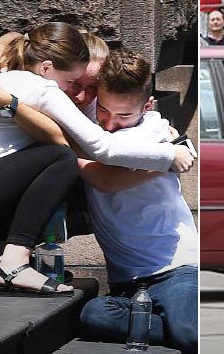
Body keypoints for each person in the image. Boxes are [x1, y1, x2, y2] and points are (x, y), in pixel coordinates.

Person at [78, 48, 197, 352]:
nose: (110, 123)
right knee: (94, 316)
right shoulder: (94, 126)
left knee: (189, 335)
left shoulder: (153, 133)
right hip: (125, 282)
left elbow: (105, 168)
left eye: (124, 115)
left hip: (176, 269)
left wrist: (169, 155)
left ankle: (180, 321)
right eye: (103, 111)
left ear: (147, 106)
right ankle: (164, 319)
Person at [0, 22, 89, 294]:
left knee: (32, 171)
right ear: (46, 67)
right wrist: (165, 150)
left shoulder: (2, 75)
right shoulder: (37, 86)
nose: (74, 91)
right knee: (61, 160)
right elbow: (86, 143)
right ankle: (12, 262)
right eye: (71, 82)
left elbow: (14, 35)